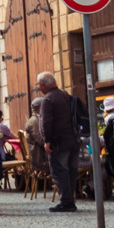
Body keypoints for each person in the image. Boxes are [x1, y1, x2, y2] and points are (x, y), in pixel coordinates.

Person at [36, 71, 83, 213]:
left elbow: (46, 122)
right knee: (71, 171)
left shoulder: (48, 99)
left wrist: (47, 140)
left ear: (43, 85)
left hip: (59, 141)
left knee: (59, 171)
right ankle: (70, 199)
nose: (39, 88)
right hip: (73, 139)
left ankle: (66, 202)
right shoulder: (64, 95)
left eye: (39, 85)